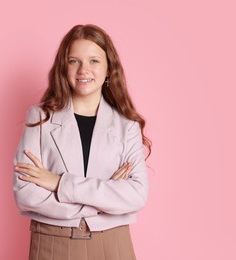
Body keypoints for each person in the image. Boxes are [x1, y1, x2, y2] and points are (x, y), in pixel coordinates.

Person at [13, 24, 151, 260]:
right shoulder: (39, 117)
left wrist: (58, 183)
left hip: (112, 244)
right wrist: (102, 202)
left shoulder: (126, 126)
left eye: (94, 61)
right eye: (74, 61)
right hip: (52, 243)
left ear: (109, 68)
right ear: (63, 68)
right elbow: (25, 192)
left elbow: (136, 195)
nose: (83, 70)